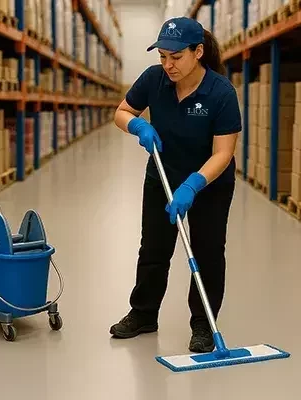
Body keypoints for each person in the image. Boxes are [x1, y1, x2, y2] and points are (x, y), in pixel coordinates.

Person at [110, 16, 242, 353]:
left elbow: (224, 152)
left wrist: (194, 184)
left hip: (208, 183)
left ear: (198, 52)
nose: (168, 65)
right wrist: (137, 126)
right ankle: (143, 314)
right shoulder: (154, 79)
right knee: (153, 249)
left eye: (176, 57)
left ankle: (202, 324)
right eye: (163, 57)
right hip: (163, 177)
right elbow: (122, 112)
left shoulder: (221, 92)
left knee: (208, 252)